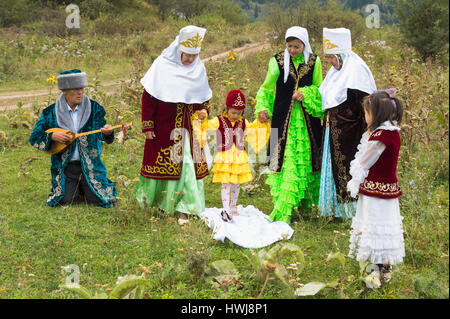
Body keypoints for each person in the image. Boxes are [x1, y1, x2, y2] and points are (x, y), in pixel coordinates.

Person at [135, 25, 212, 225]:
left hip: (190, 129)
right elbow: (148, 97)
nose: (189, 60)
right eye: (186, 55)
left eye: (193, 56)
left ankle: (184, 209)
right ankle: (163, 204)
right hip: (164, 127)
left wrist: (204, 111)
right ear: (178, 49)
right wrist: (148, 125)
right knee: (165, 167)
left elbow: (204, 96)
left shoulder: (198, 68)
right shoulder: (162, 65)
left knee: (187, 166)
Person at [255, 26, 324, 223]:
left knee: (305, 160)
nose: (292, 50)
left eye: (297, 46)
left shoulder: (314, 61)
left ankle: (304, 206)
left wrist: (307, 93)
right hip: (281, 118)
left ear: (304, 45)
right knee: (283, 160)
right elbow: (267, 88)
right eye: (289, 45)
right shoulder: (276, 61)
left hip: (306, 122)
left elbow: (319, 88)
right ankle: (283, 209)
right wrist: (263, 108)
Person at [29, 69, 117, 207]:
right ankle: (78, 186)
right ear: (64, 90)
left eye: (81, 88)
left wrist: (107, 133)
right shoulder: (50, 113)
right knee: (66, 200)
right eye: (75, 89)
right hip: (66, 168)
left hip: (91, 166)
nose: (80, 92)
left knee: (99, 200)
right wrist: (51, 136)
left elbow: (103, 133)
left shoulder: (95, 109)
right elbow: (34, 138)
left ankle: (87, 185)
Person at [346, 89, 405, 285]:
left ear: (376, 115)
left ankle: (374, 273)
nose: (365, 116)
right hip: (388, 191)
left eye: (366, 112)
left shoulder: (380, 136)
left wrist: (354, 179)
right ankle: (385, 269)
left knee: (373, 227)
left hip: (375, 192)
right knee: (385, 227)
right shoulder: (393, 132)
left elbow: (364, 161)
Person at [318, 27, 377, 219]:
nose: (329, 62)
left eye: (332, 57)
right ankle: (333, 210)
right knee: (335, 166)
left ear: (341, 54)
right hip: (335, 129)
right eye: (328, 57)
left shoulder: (356, 70)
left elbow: (363, 105)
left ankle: (350, 211)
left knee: (349, 166)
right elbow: (327, 97)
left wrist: (342, 117)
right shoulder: (336, 71)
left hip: (351, 131)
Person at [194, 90, 269, 222]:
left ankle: (233, 206)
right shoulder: (219, 120)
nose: (235, 115)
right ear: (227, 109)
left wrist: (261, 123)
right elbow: (207, 126)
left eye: (239, 113)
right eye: (233, 112)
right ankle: (226, 208)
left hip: (240, 158)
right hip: (225, 157)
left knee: (236, 183)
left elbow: (254, 133)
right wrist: (202, 118)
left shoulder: (244, 122)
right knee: (226, 184)